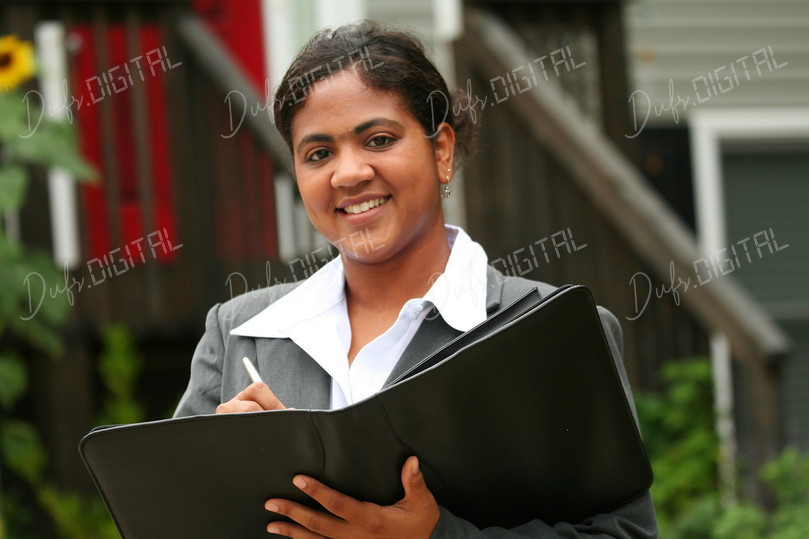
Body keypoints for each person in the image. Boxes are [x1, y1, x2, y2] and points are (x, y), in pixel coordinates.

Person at [174, 20, 657, 538]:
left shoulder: (553, 332)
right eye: (318, 154)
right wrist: (224, 474)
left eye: (378, 139)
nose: (348, 173)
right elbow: (168, 519)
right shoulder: (240, 334)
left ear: (441, 150)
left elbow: (623, 533)